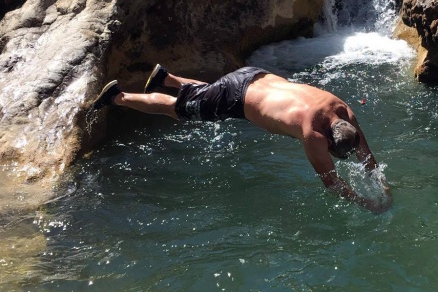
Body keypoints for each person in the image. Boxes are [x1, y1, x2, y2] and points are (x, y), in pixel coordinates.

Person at [90, 65, 392, 213]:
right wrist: (367, 204)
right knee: (176, 110)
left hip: (255, 76)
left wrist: (382, 185)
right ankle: (118, 97)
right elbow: (332, 184)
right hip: (236, 97)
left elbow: (365, 153)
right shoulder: (312, 135)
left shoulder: (341, 109)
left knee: (210, 91)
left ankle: (165, 79)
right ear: (328, 139)